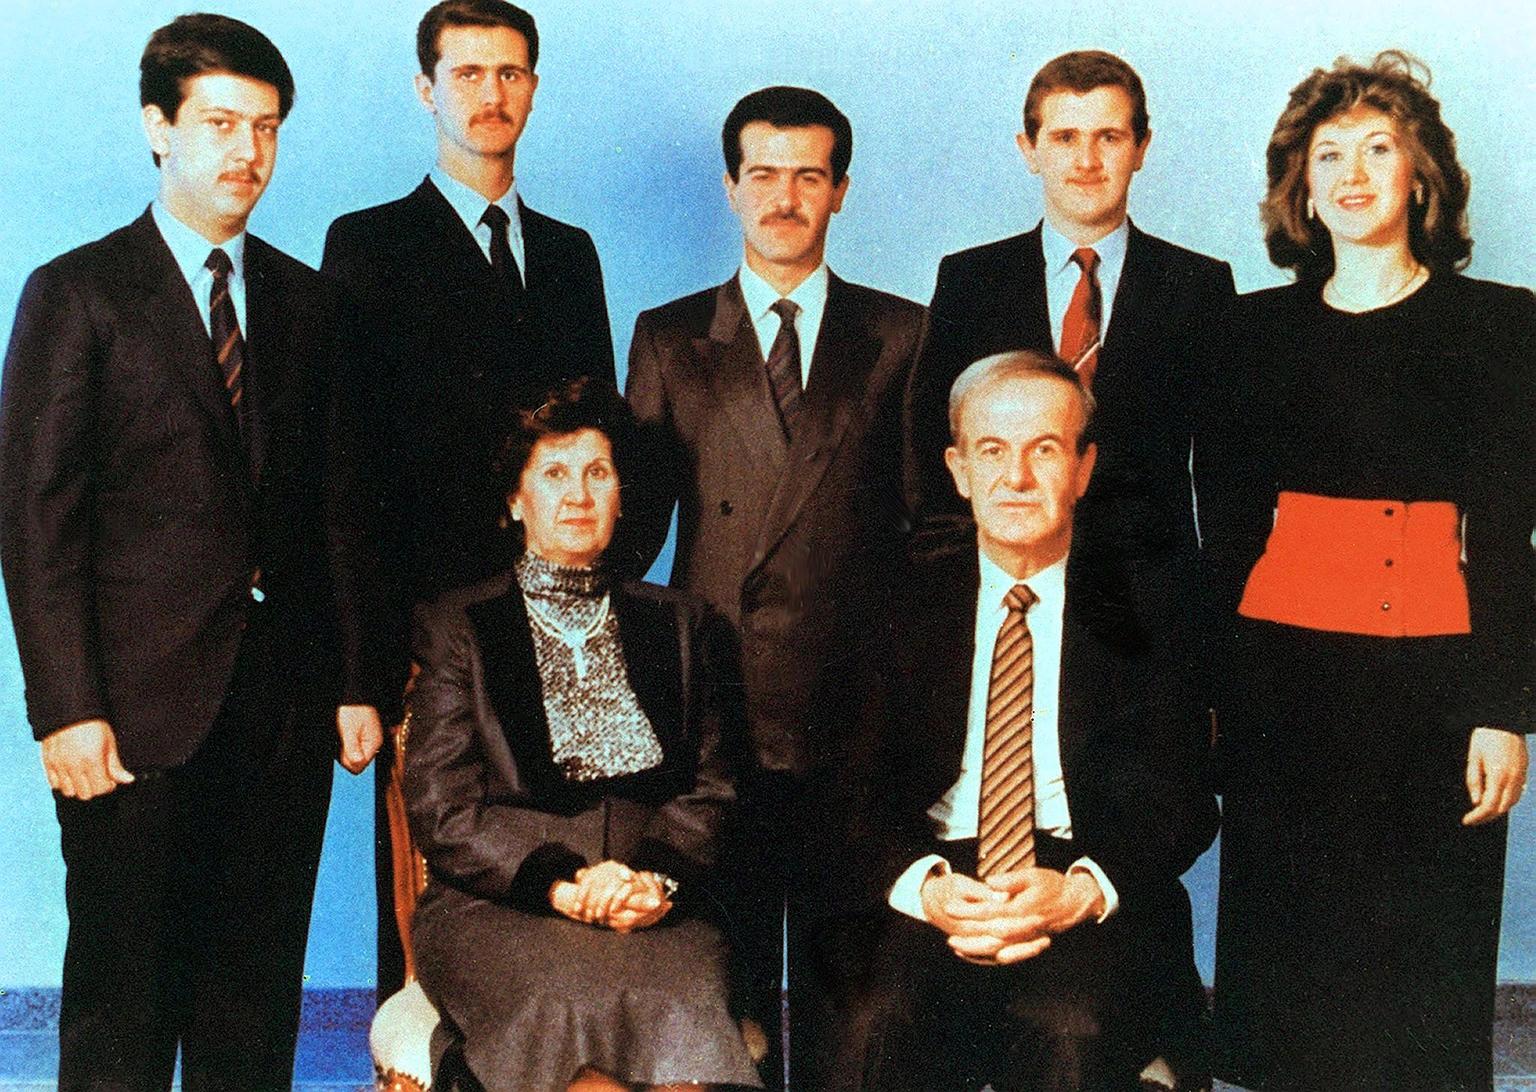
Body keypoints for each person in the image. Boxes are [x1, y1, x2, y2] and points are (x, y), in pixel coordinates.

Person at [0, 14, 377, 1090]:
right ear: (157, 127)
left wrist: (356, 680)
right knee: (122, 1008)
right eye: (220, 123)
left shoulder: (311, 304)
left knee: (252, 1011)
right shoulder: (77, 292)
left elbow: (339, 513)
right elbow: (36, 521)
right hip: (129, 716)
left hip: (282, 711)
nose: (247, 151)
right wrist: (66, 709)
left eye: (266, 127)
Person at [1197, 51, 1533, 1092]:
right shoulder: (1249, 332)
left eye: (1378, 150)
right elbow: (1227, 537)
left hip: (1433, 686)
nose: (1352, 175)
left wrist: (1504, 710)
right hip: (1282, 686)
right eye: (1328, 156)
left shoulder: (1503, 325)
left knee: (1423, 983)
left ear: (1421, 175)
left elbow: (1510, 534)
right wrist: (1211, 698)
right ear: (1299, 190)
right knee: (1289, 978)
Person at [901, 50, 1233, 1086]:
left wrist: (1189, 630)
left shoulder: (1197, 286)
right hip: (1004, 590)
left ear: (1142, 147)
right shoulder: (971, 279)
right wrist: (967, 596)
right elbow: (932, 462)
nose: (1086, 158)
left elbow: (1219, 481)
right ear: (1029, 148)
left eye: (1109, 135)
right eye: (1065, 136)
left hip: (1128, 633)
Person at [624, 85, 927, 1089]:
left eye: (808, 175)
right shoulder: (669, 337)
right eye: (763, 174)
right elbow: (631, 538)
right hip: (717, 717)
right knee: (730, 1000)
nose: (784, 197)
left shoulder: (902, 334)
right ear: (730, 187)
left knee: (854, 1004)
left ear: (841, 190)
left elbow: (933, 535)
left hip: (856, 722)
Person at [322, 0, 616, 998]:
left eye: (511, 73)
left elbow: (599, 449)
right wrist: (363, 669)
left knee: (562, 867)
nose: (492, 94)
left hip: (562, 625)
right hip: (425, 633)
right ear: (427, 89)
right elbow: (348, 471)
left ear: (533, 87)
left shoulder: (569, 253)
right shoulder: (369, 245)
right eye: (468, 73)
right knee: (429, 884)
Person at [845, 352, 1219, 1092]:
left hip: (1081, 864)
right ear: (958, 470)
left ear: (1083, 469)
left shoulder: (1148, 605)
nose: (1016, 477)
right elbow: (845, 789)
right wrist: (926, 889)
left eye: (1044, 450)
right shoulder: (893, 597)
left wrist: (1081, 889)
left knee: (1068, 1031)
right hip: (938, 868)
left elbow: (1181, 799)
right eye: (992, 451)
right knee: (876, 1023)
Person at [404, 377, 761, 1092]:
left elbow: (715, 787)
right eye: (554, 475)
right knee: (560, 1010)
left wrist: (655, 878)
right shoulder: (460, 626)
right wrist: (558, 884)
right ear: (515, 500)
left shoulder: (683, 625)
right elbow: (443, 809)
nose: (578, 496)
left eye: (598, 474)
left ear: (622, 497)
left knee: (684, 1006)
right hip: (500, 901)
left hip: (652, 899)